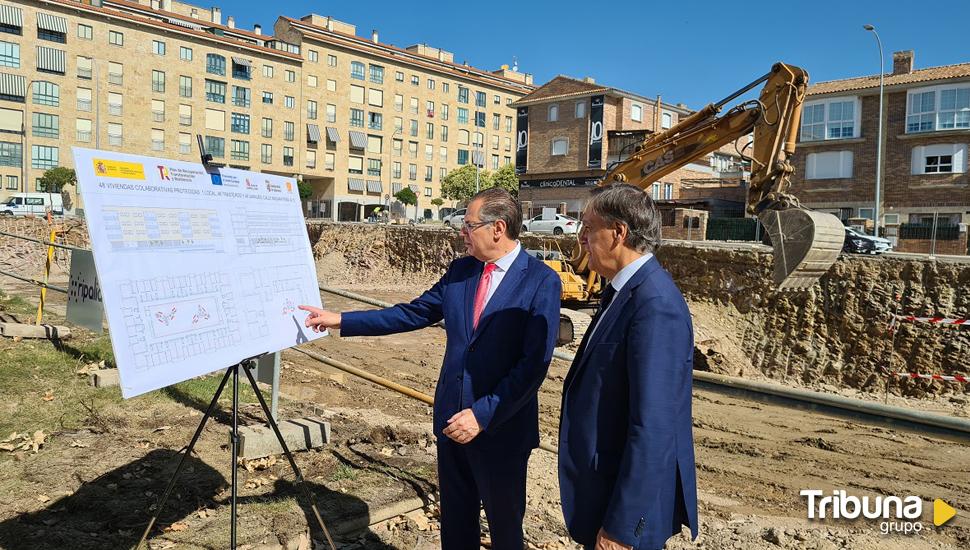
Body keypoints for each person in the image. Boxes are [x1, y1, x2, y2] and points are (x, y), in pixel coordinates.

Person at [300, 187, 562, 550]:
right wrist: (342, 318)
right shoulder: (461, 271)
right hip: (452, 421)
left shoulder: (541, 281)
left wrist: (482, 415)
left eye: (469, 225)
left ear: (497, 228)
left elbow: (534, 365)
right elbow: (412, 313)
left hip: (500, 429)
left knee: (505, 532)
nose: (461, 232)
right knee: (456, 527)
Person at [558, 184, 698, 550]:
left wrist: (622, 528)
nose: (582, 239)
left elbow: (653, 427)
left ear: (618, 233)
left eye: (588, 228)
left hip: (626, 513)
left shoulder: (654, 305)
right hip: (605, 490)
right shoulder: (621, 291)